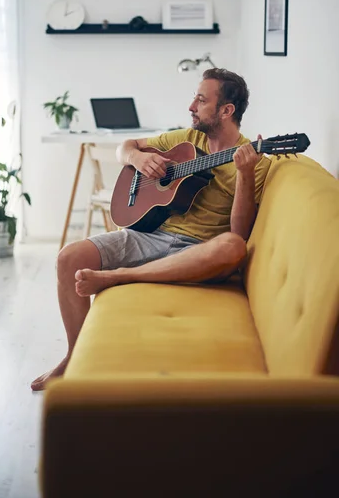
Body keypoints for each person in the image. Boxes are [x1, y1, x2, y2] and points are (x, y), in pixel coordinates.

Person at [31, 68, 271, 391]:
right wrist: (136, 158)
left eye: (201, 100)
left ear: (226, 111)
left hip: (196, 251)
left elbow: (240, 232)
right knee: (68, 258)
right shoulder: (186, 141)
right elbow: (124, 147)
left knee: (232, 247)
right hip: (149, 236)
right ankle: (74, 357)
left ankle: (117, 277)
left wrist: (244, 174)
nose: (191, 106)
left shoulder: (253, 161)